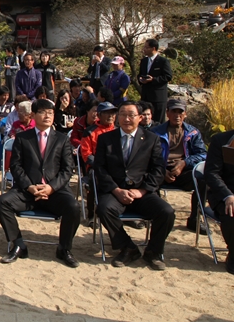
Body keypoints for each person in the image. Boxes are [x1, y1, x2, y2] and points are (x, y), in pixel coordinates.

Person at [0, 98, 81, 267]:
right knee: (2, 202)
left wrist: (51, 187)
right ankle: (18, 245)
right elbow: (16, 166)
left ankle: (64, 248)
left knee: (73, 207)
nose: (47, 116)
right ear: (33, 115)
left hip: (54, 192)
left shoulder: (62, 139)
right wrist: (29, 186)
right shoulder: (22, 138)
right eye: (42, 112)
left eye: (50, 113)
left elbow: (67, 169)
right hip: (28, 191)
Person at [94, 101, 173, 270]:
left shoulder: (151, 139)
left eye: (131, 115)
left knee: (166, 212)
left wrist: (142, 191)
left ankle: (153, 251)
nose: (126, 119)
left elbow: (158, 169)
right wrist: (116, 190)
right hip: (116, 191)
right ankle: (127, 247)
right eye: (122, 114)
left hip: (142, 192)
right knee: (104, 209)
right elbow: (99, 168)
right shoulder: (106, 139)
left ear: (140, 118)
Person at [150, 99, 207, 231]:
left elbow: (203, 154)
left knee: (204, 180)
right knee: (148, 178)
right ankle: (157, 216)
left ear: (185, 114)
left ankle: (195, 219)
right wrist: (161, 170)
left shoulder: (193, 133)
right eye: (174, 111)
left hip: (183, 170)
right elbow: (147, 155)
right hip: (161, 170)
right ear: (167, 113)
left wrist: (184, 163)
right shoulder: (155, 132)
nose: (177, 115)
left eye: (180, 112)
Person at [202, 128, 234, 275]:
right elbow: (212, 173)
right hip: (224, 194)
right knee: (232, 212)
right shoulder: (220, 140)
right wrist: (228, 195)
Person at [138, 38, 173, 123]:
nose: (144, 49)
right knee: (145, 121)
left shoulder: (163, 61)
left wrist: (153, 79)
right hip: (146, 96)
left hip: (158, 97)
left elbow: (168, 76)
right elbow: (140, 74)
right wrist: (140, 79)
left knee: (158, 121)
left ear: (153, 48)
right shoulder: (144, 61)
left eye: (146, 47)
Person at [80, 102, 117, 169]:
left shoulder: (119, 131)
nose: (110, 115)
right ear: (98, 115)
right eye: (107, 113)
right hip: (96, 166)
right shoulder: (89, 131)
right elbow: (86, 154)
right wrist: (100, 164)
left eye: (113, 113)